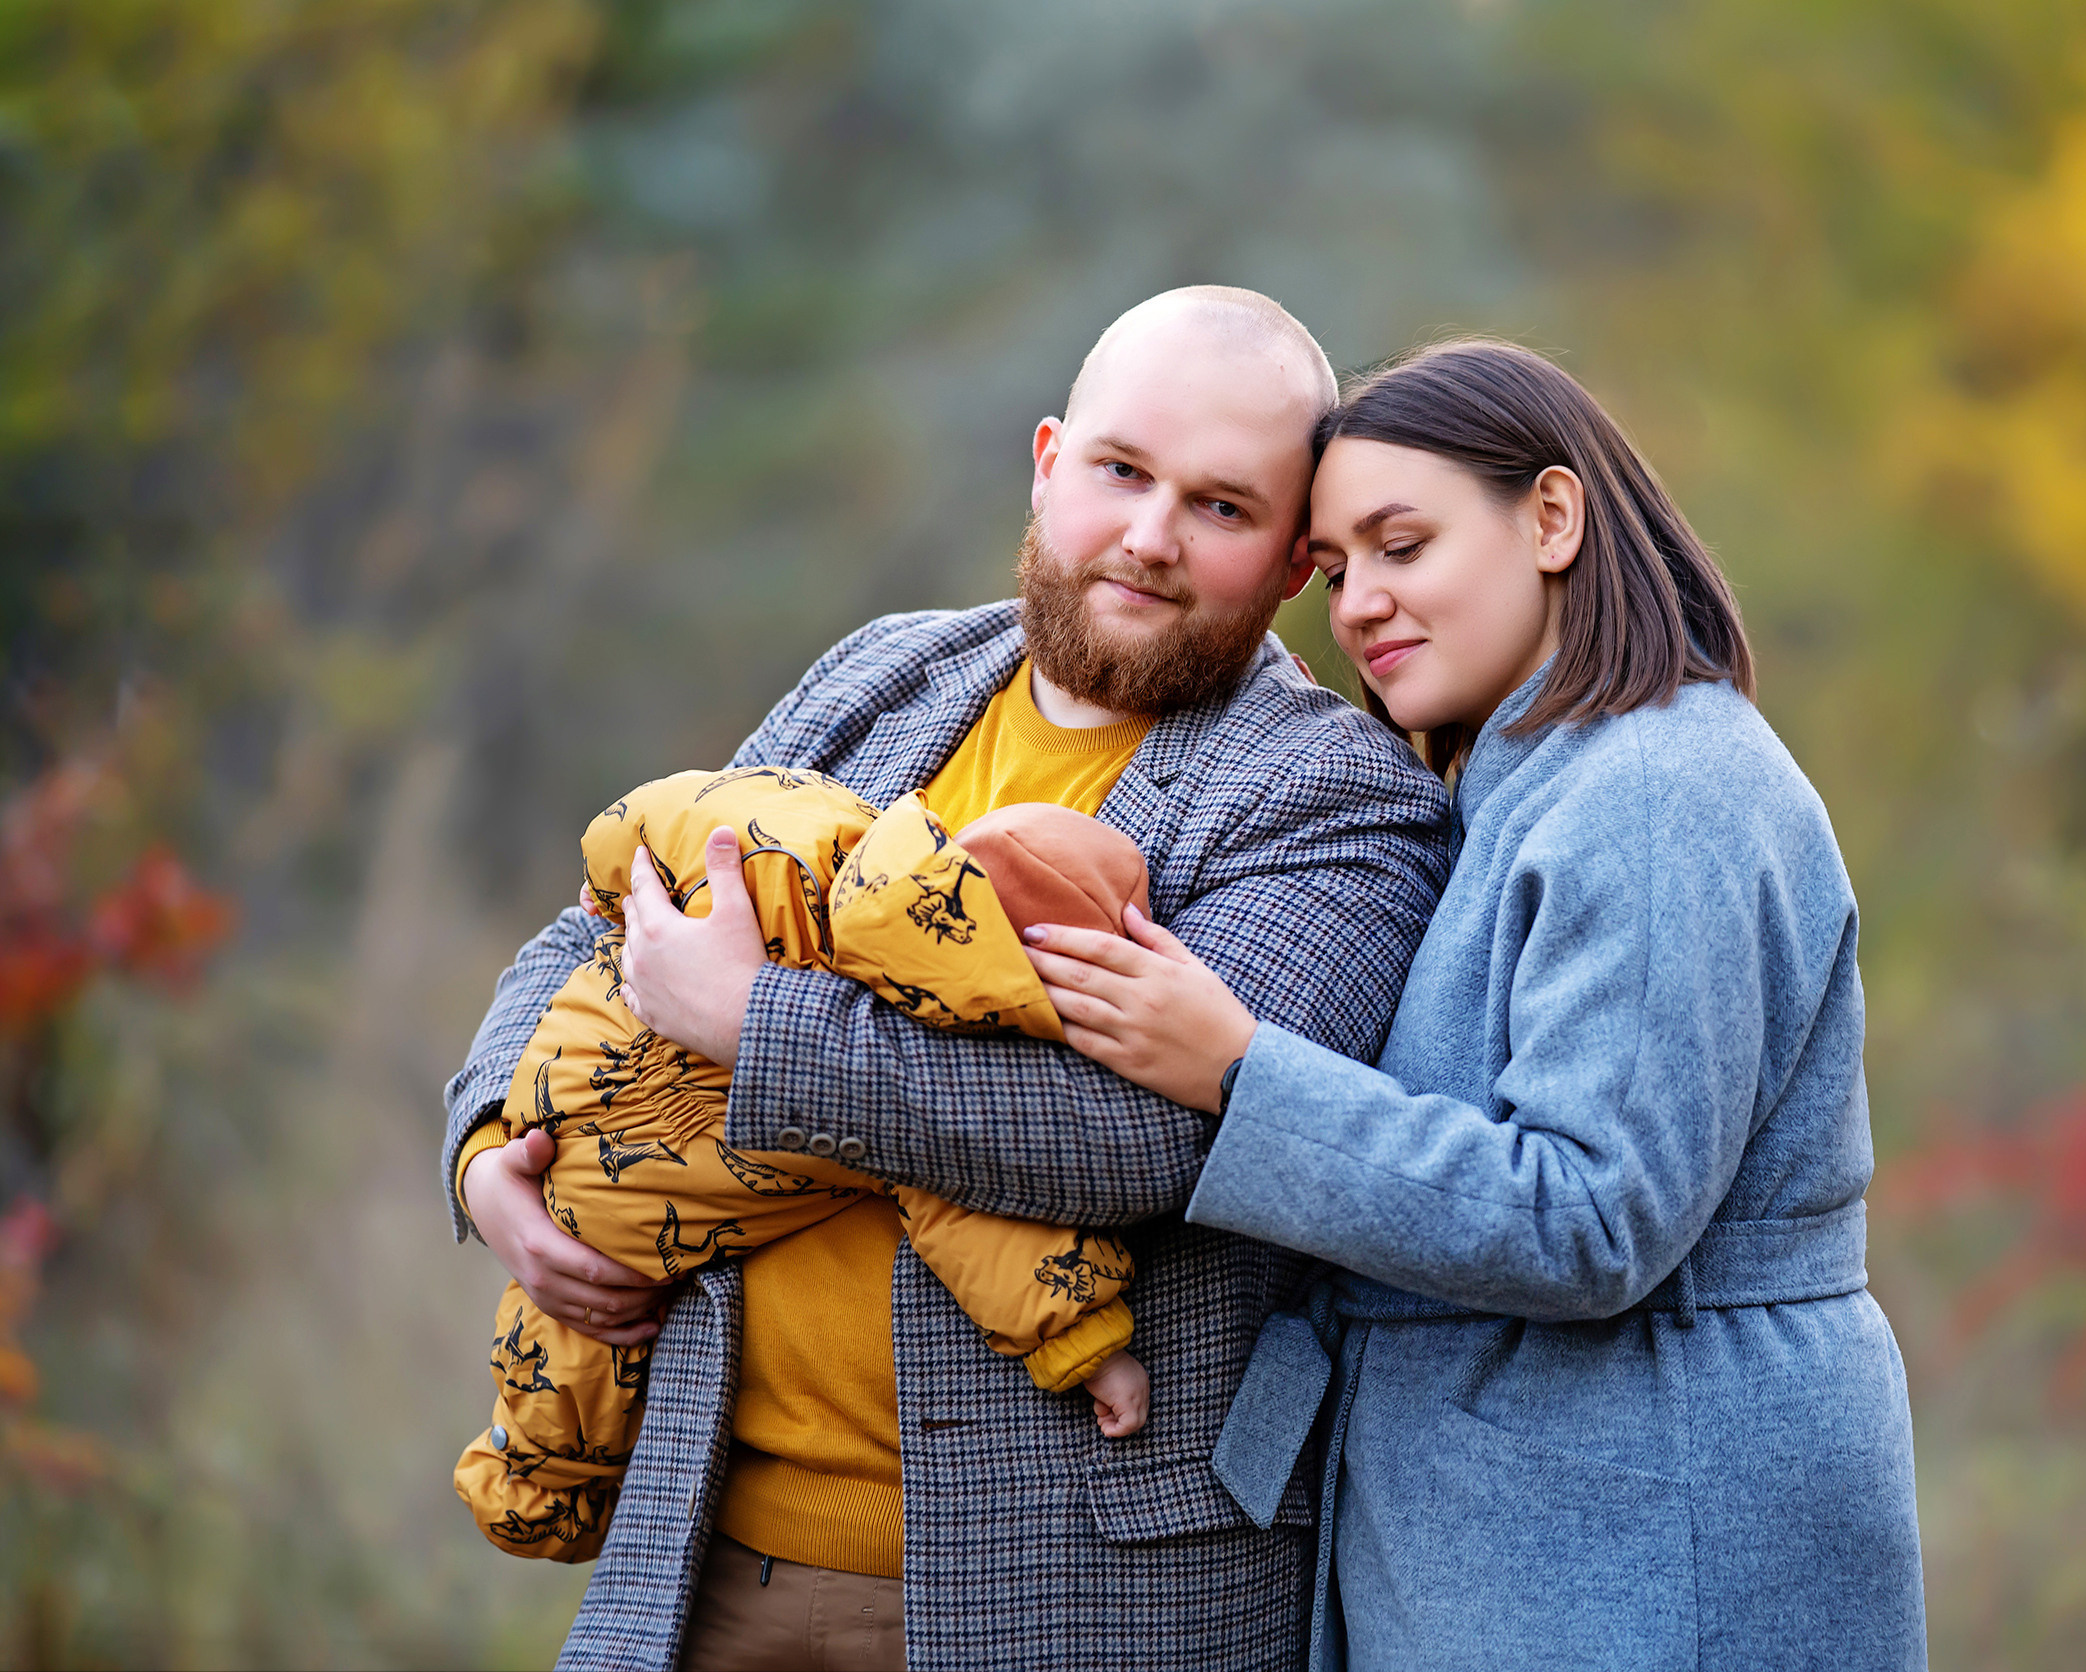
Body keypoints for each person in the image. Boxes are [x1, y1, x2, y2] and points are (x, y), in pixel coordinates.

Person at [441, 286, 1453, 1671]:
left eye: (1221, 507)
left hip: (1070, 1598)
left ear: (1291, 563)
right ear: (1048, 462)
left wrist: (752, 1022)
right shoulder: (883, 673)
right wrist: (490, 1148)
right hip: (703, 1552)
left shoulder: (1336, 794)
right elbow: (603, 929)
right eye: (1121, 472)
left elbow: (1147, 1133)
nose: (1152, 537)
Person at [1024, 339, 1930, 1671]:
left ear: (1552, 519)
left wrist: (1238, 1070)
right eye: (1335, 568)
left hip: (1646, 1525)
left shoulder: (1657, 791)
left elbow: (1592, 1218)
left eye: (1403, 546)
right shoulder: (1523, 791)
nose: (1360, 604)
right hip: (1531, 1522)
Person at [456, 778, 1160, 1565]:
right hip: (606, 1219)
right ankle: (529, 1493)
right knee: (569, 1366)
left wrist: (612, 876)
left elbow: (672, 817)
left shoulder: (816, 840)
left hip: (575, 1122)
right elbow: (976, 1214)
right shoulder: (919, 1025)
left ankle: (527, 1486)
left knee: (558, 1364)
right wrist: (480, 1159)